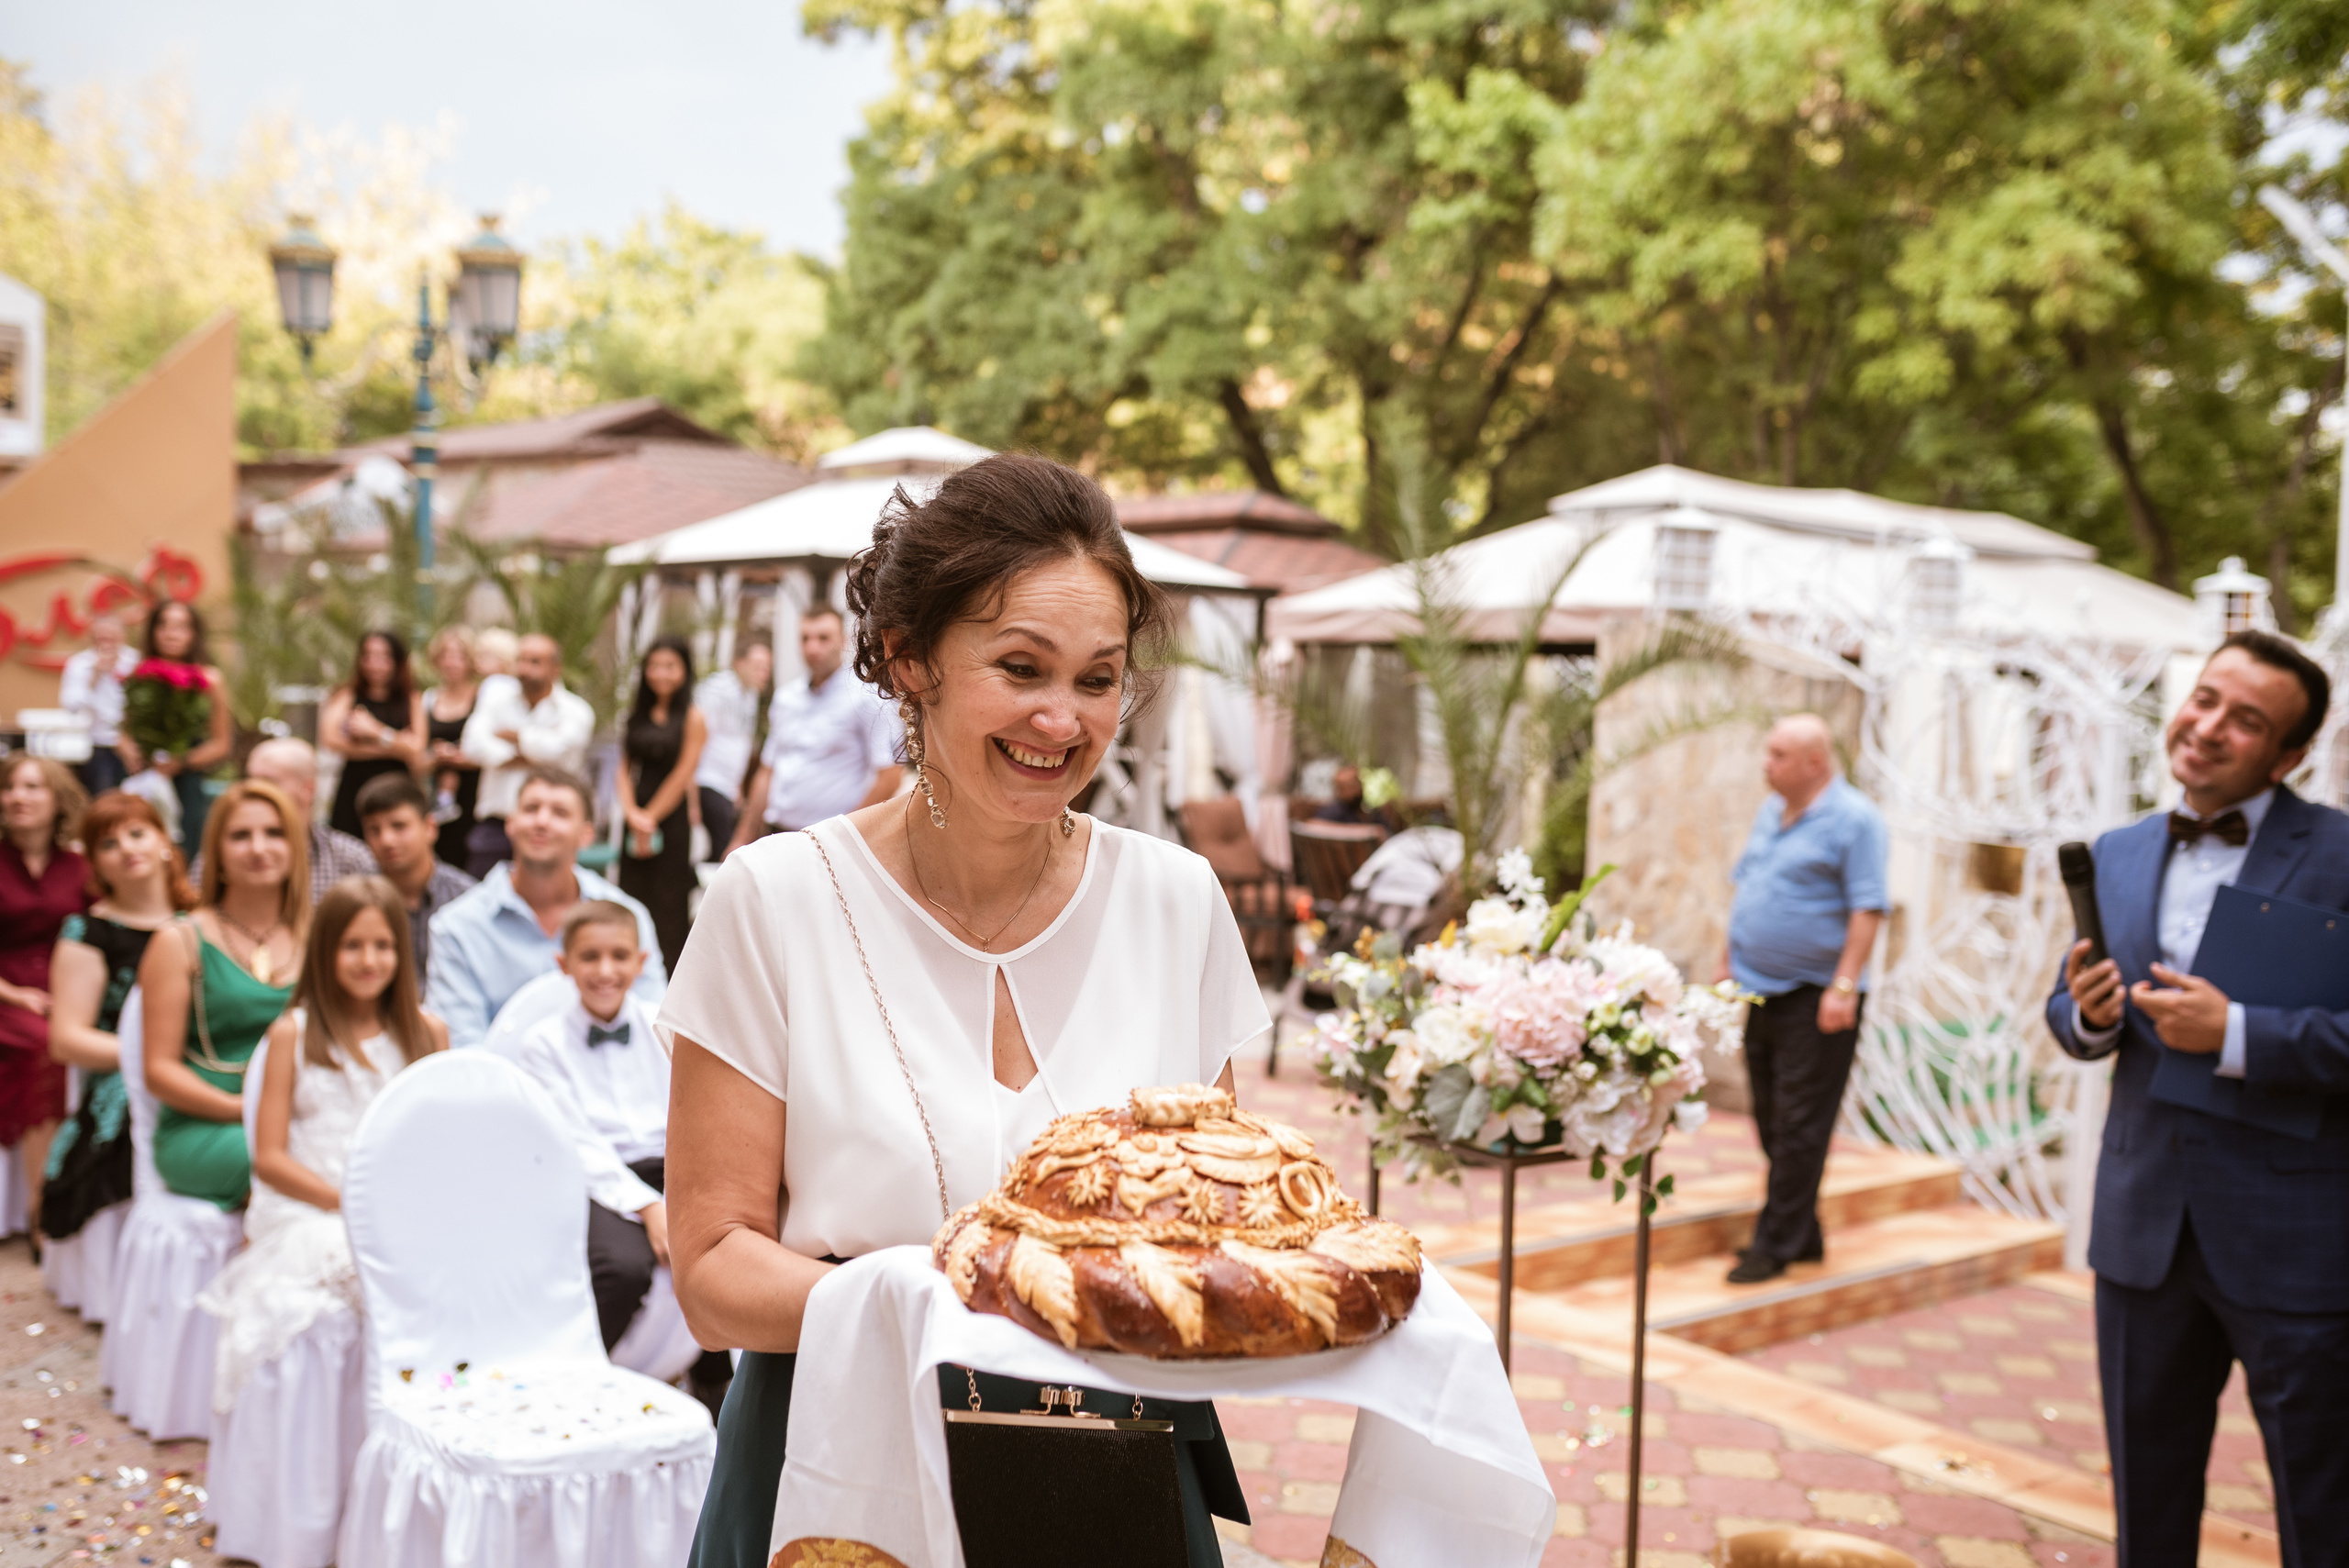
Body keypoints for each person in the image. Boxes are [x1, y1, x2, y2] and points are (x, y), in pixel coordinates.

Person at [663, 452, 1264, 1564]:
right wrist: (954, 1300)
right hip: (834, 1476)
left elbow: (1211, 1228)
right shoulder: (776, 901)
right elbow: (709, 1270)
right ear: (909, 660)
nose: (1061, 717)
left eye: (1097, 679)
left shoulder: (1176, 902)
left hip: (1112, 1482)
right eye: (1019, 666)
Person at [2050, 630, 2349, 1564]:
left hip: (2293, 1242)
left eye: (2246, 719)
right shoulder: (2117, 849)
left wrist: (2236, 1034)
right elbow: (2069, 1008)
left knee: (2321, 1509)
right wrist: (2086, 1014)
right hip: (2141, 1236)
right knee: (2148, 1504)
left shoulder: (2342, 855)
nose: (2208, 726)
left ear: (2290, 754)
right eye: (2205, 697)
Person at [197, 875, 445, 1565]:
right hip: (311, 1203)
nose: (369, 959)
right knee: (333, 1303)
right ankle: (308, 1514)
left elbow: (440, 1141)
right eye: (351, 945)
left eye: (383, 945)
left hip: (400, 1207)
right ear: (324, 952)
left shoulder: (428, 1031)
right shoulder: (293, 1033)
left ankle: (408, 1501)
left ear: (403, 950)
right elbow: (270, 1155)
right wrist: (349, 1200)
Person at [516, 901, 733, 1409]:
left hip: (675, 1162)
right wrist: (648, 1207)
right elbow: (573, 1142)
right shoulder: (541, 1045)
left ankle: (713, 1374)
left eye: (619, 956)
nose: (606, 971)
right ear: (563, 964)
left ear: (640, 962)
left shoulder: (671, 1025)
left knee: (722, 1244)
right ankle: (583, 1382)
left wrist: (678, 1197)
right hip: (591, 1177)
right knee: (624, 1266)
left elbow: (698, 1115)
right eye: (590, 957)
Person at [1720, 714, 1887, 1286]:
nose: (1767, 764)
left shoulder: (1856, 820)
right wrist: (1728, 960)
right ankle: (1804, 1231)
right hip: (1761, 989)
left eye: (1779, 755)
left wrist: (1844, 986)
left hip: (1818, 996)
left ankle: (1775, 1245)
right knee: (1770, 1116)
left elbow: (1868, 908)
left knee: (1799, 1124)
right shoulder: (1772, 812)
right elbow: (1748, 885)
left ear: (1815, 762)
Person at [138, 780, 306, 1210]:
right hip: (208, 1124)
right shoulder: (179, 940)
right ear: (217, 852)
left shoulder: (319, 937)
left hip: (302, 1113)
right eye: (240, 836)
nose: (258, 847)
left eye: (274, 833)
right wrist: (243, 1111)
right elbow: (158, 1070)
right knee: (287, 1164)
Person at [41, 792, 195, 1246]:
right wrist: (157, 1061)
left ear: (164, 842)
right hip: (122, 1078)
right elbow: (66, 1040)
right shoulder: (87, 933)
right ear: (95, 864)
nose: (128, 848)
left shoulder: (203, 921)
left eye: (137, 833)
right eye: (109, 844)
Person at [424, 765, 664, 1049]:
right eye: (531, 808)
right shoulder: (456, 927)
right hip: (501, 1089)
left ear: (586, 834)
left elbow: (656, 1029)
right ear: (509, 824)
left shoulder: (628, 917)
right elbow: (464, 1049)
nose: (542, 821)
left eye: (560, 813)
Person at [725, 606, 902, 853]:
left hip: (830, 842)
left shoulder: (867, 698)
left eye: (823, 638)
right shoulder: (787, 697)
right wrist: (742, 837)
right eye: (805, 638)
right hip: (777, 834)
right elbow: (767, 771)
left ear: (842, 639)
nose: (812, 648)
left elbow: (890, 775)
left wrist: (845, 834)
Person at [0, 756, 91, 1235]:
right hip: (6, 994)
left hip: (67, 994)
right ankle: (40, 1210)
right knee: (44, 1046)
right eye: (10, 788)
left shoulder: (81, 866)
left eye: (33, 787)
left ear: (57, 799)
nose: (18, 797)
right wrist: (15, 995)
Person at [460, 632, 596, 879]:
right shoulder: (495, 698)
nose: (524, 669)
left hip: (551, 829)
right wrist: (536, 749)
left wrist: (514, 737)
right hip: (495, 825)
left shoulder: (577, 711)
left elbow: (558, 752)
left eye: (535, 662)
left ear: (556, 668)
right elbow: (472, 746)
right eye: (520, 660)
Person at [618, 638, 707, 971]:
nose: (660, 674)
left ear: (684, 671)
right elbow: (623, 768)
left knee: (668, 900)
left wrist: (649, 818)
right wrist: (631, 813)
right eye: (654, 666)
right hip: (634, 815)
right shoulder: (636, 714)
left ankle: (668, 977)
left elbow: (685, 772)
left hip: (670, 819)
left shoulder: (693, 717)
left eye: (670, 666)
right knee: (630, 894)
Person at [125, 601, 232, 850]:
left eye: (181, 627)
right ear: (152, 631)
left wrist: (180, 763)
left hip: (186, 781)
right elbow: (125, 729)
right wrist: (127, 748)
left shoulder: (210, 679)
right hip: (143, 777)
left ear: (194, 634)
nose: (171, 634)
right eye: (163, 625)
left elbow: (221, 744)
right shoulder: (139, 675)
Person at [353, 773, 475, 984]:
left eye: (399, 826)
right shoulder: (355, 901)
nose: (387, 840)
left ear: (430, 827)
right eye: (374, 830)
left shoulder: (468, 898)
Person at [242, 738, 378, 902]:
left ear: (308, 789)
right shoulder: (231, 853)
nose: (255, 792)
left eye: (269, 783)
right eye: (251, 782)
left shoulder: (351, 860)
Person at [322, 629, 425, 840]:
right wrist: (394, 747)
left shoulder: (410, 699)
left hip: (397, 788)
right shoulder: (347, 695)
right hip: (354, 788)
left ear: (396, 661)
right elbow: (330, 739)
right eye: (368, 656)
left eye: (383, 657)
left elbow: (417, 747)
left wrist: (375, 730)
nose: (374, 664)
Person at [692, 640, 771, 858]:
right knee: (727, 850)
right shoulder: (716, 690)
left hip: (727, 787)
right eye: (758, 666)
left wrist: (737, 788)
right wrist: (691, 797)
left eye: (767, 667)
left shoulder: (750, 695)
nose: (764, 673)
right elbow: (697, 739)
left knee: (719, 850)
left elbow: (740, 742)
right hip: (707, 781)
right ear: (739, 664)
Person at [58, 614, 140, 796]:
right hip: (100, 744)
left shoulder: (136, 662)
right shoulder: (80, 664)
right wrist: (94, 676)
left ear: (122, 637)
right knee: (103, 799)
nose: (106, 644)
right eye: (101, 638)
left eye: (111, 638)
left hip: (135, 746)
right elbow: (71, 706)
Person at [423, 627, 483, 870]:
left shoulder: (483, 697)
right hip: (436, 795)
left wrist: (459, 758)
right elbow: (418, 753)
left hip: (474, 794)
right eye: (446, 655)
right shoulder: (427, 700)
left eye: (459, 656)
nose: (452, 662)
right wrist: (436, 757)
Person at [1313, 762, 1382, 828]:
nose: (1355, 790)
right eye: (1346, 787)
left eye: (1356, 784)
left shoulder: (1370, 812)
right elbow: (1313, 826)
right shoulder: (1333, 812)